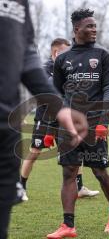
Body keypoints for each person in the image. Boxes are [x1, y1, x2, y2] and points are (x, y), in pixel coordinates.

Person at [0, 1, 88, 239]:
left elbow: (26, 54)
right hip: (40, 119)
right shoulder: (51, 64)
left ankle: (79, 186)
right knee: (36, 152)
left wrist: (59, 107)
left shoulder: (20, 3)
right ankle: (24, 183)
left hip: (6, 129)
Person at [47, 9, 109, 239]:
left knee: (100, 172)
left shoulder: (102, 55)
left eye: (95, 26)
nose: (94, 30)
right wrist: (49, 129)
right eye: (89, 26)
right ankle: (68, 225)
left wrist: (103, 122)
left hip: (94, 125)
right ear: (76, 29)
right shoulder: (62, 59)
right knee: (69, 173)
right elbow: (55, 96)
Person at [20, 38, 99, 201]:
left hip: (63, 116)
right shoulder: (45, 70)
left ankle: (79, 188)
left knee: (75, 149)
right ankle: (21, 188)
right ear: (56, 53)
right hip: (45, 116)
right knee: (35, 152)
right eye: (66, 52)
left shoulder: (67, 67)